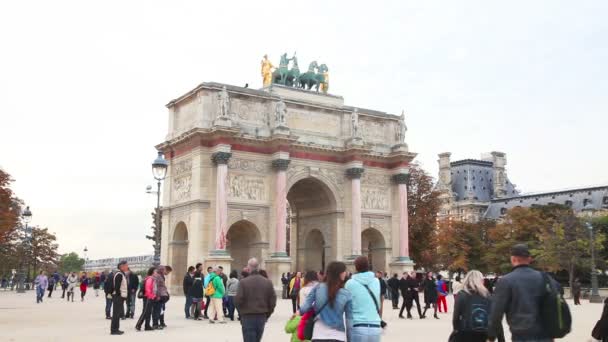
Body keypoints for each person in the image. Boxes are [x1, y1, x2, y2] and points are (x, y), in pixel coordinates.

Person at [487, 244, 560, 342]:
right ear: (529, 259)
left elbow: (496, 312)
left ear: (512, 259)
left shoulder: (506, 281)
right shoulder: (545, 278)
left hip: (522, 334)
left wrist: (491, 335)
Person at [300, 261, 353, 342]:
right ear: (340, 274)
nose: (345, 273)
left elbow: (304, 308)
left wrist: (298, 312)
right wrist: (350, 338)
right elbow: (349, 320)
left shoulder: (318, 288)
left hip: (318, 334)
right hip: (338, 336)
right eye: (344, 271)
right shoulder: (346, 294)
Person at [451, 270, 504, 342]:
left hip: (465, 334)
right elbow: (496, 318)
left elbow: (456, 318)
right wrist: (501, 339)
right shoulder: (488, 296)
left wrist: (456, 330)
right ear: (481, 281)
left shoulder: (461, 295)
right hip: (484, 334)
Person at [235, 258, 277, 342]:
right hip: (261, 315)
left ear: (248, 268)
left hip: (247, 316)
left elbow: (237, 300)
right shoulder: (267, 282)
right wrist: (267, 314)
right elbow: (273, 301)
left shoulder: (243, 282)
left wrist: (241, 313)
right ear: (258, 268)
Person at [344, 256, 382, 342]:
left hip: (358, 324)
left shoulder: (350, 283)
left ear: (356, 267)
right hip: (375, 326)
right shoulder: (376, 281)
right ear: (368, 266)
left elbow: (345, 303)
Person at [110, 260, 129, 335]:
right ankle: (114, 330)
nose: (127, 266)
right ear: (122, 266)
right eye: (126, 265)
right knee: (116, 314)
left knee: (117, 314)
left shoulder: (121, 274)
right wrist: (120, 295)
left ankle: (116, 329)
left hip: (119, 296)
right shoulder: (119, 274)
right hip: (118, 296)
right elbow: (117, 287)